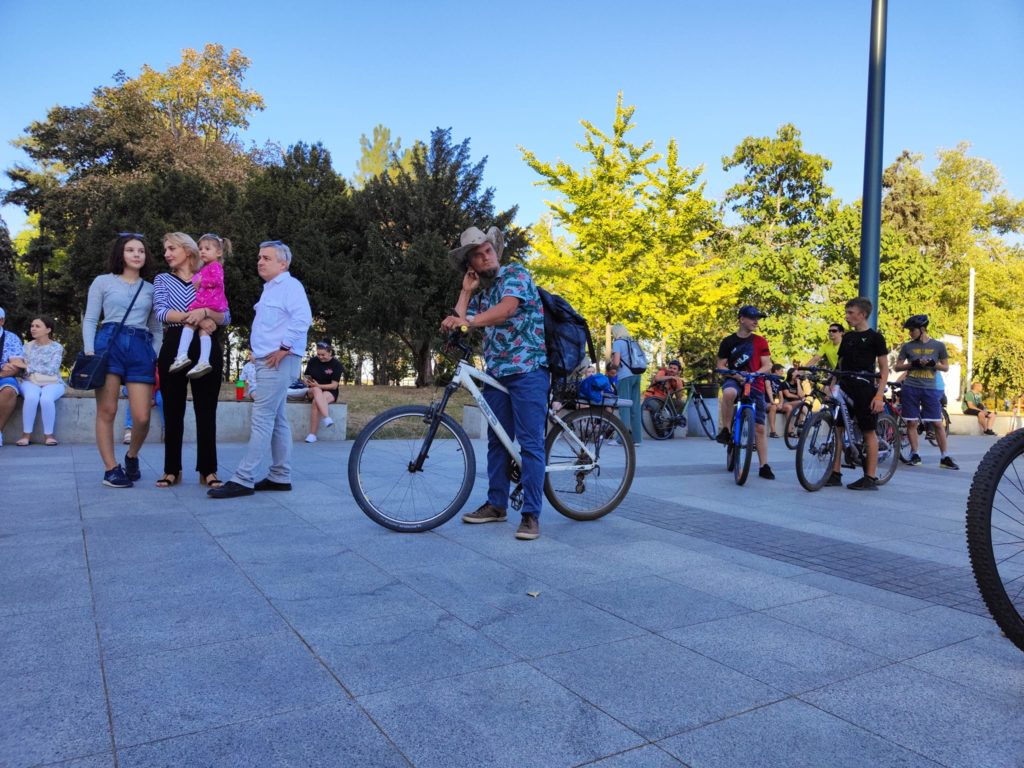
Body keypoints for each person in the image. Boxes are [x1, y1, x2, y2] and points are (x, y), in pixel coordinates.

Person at [440, 225, 548, 541]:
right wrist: (466, 292)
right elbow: (457, 323)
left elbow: (507, 310)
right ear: (471, 263)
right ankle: (497, 505)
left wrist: (470, 320)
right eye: (478, 254)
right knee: (496, 442)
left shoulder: (515, 273)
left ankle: (531, 515)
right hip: (497, 374)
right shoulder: (484, 292)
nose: (486, 256)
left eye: (487, 250)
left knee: (530, 443)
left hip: (528, 370)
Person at [209, 240, 312, 498]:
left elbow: (303, 319)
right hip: (269, 360)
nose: (260, 261)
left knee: (262, 418)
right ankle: (280, 475)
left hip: (276, 361)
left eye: (266, 258)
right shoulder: (271, 289)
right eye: (259, 257)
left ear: (283, 263)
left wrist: (284, 348)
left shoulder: (289, 286)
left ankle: (243, 478)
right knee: (277, 419)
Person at [82, 233, 163, 487]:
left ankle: (132, 456)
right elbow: (91, 319)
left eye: (141, 250)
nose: (137, 254)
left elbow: (157, 328)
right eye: (130, 250)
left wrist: (154, 354)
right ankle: (110, 469)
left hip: (140, 347)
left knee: (141, 417)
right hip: (108, 343)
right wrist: (89, 349)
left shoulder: (151, 289)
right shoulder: (103, 282)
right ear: (121, 254)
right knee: (108, 410)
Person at [154, 232, 228, 488]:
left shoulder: (211, 273)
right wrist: (194, 316)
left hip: (206, 344)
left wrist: (207, 312)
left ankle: (208, 469)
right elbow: (162, 312)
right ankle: (171, 469)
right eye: (165, 249)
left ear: (187, 250)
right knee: (172, 409)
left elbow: (225, 315)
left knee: (206, 410)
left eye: (172, 248)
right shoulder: (162, 279)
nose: (167, 254)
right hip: (175, 343)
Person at [827, 297, 889, 490]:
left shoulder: (875, 337)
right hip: (845, 384)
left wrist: (878, 396)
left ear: (862, 314)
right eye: (846, 313)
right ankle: (835, 473)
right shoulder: (848, 338)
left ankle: (869, 478)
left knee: (868, 431)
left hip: (864, 387)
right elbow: (840, 364)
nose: (847, 317)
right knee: (837, 428)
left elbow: (884, 369)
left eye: (850, 313)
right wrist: (833, 385)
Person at [716, 305, 775, 479]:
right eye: (752, 317)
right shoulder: (728, 341)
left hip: (755, 382)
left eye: (758, 318)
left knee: (759, 427)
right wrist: (734, 374)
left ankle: (764, 466)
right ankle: (726, 429)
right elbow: (720, 365)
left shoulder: (760, 341)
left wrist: (756, 373)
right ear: (742, 319)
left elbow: (768, 364)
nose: (756, 321)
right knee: (729, 394)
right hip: (734, 378)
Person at [894, 314, 959, 470]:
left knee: (937, 423)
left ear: (922, 329)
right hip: (911, 387)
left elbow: (945, 367)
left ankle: (945, 457)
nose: (910, 333)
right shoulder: (907, 346)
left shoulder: (938, 346)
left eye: (912, 330)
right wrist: (913, 363)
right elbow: (897, 367)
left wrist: (932, 363)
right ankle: (915, 454)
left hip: (930, 388)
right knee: (911, 422)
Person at [169, 233, 231, 379]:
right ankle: (203, 361)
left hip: (208, 303)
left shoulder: (214, 266)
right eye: (201, 248)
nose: (202, 251)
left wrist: (199, 283)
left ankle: (181, 355)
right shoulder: (207, 267)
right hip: (211, 303)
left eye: (207, 249)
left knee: (190, 323)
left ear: (219, 252)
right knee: (204, 331)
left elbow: (216, 281)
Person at [17, 315, 65, 446]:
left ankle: (49, 435)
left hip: (53, 382)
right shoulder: (27, 347)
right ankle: (26, 435)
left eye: (37, 326)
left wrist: (28, 366)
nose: (33, 329)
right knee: (31, 397)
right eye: (32, 326)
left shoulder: (57, 347)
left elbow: (52, 369)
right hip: (30, 381)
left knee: (46, 399)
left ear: (48, 330)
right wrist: (27, 367)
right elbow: (22, 368)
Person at [303, 340, 343, 443]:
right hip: (313, 389)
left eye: (323, 355)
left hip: (329, 391)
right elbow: (306, 377)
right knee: (316, 390)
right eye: (318, 354)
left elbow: (334, 386)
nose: (320, 357)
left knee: (316, 402)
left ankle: (312, 435)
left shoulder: (336, 365)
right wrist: (307, 381)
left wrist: (319, 385)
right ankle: (326, 417)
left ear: (330, 352)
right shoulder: (312, 361)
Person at [610, 324, 642, 446]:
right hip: (637, 375)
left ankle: (621, 438)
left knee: (624, 407)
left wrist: (611, 368)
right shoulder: (633, 341)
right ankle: (637, 439)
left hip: (625, 376)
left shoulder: (618, 342)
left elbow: (616, 362)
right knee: (635, 407)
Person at [0, 306, 27, 447]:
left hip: (3, 378)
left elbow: (15, 367)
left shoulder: (11, 338)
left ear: (2, 321)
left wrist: (4, 371)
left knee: (9, 388)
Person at [121, 372, 164, 445]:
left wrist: (152, 397)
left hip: (157, 388)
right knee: (134, 397)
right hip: (138, 386)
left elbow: (158, 381)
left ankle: (167, 428)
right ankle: (129, 428)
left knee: (162, 399)